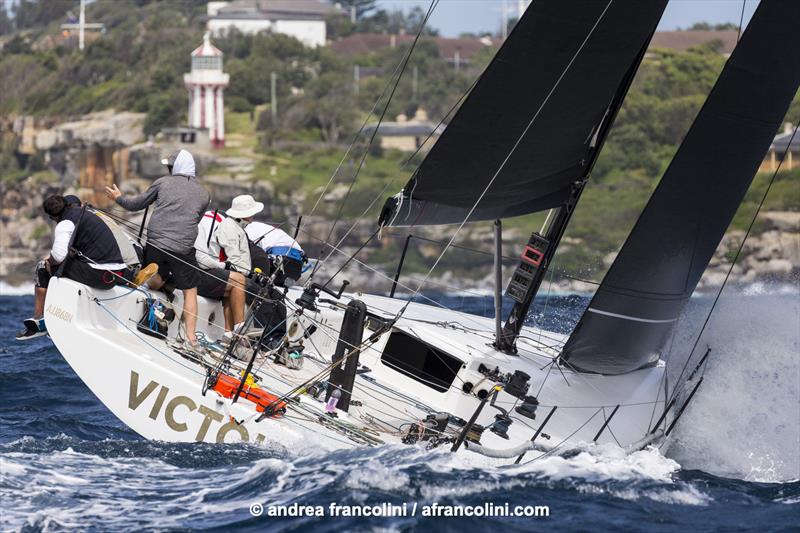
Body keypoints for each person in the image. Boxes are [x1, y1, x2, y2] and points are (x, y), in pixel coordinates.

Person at [105, 149, 210, 347]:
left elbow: (136, 204)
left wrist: (118, 198)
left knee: (156, 276)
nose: (169, 170)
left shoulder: (163, 183)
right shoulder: (204, 194)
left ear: (175, 167)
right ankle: (191, 338)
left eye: (170, 167)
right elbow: (196, 219)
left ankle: (155, 279)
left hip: (156, 243)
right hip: (182, 248)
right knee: (190, 290)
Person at [16, 195, 129, 340]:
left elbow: (58, 256)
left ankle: (39, 320)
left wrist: (49, 261)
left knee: (43, 267)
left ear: (53, 216)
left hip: (100, 275)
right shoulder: (86, 215)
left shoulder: (65, 223)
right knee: (64, 265)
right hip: (117, 274)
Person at [194, 208, 248, 333]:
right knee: (239, 280)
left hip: (185, 273)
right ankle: (240, 330)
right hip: (191, 277)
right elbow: (203, 261)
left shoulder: (197, 225)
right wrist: (224, 266)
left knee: (232, 287)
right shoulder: (196, 227)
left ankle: (228, 336)